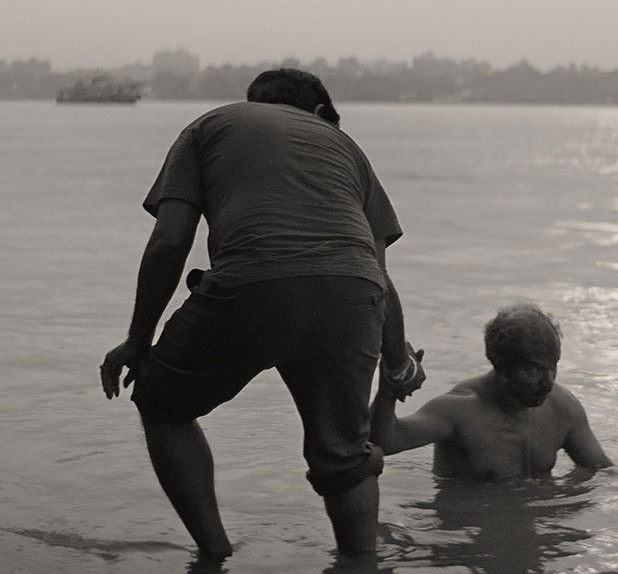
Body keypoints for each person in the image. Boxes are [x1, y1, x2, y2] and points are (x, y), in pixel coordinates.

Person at [99, 69, 425, 561]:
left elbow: (170, 242)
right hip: (351, 297)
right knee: (344, 454)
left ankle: (213, 555)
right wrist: (398, 364)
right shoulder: (348, 149)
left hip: (251, 285)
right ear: (319, 113)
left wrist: (137, 341)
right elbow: (377, 275)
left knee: (163, 404)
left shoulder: (209, 127)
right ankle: (361, 565)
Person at [371, 303, 613, 479]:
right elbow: (382, 442)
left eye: (553, 366)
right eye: (534, 370)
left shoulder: (562, 407)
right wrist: (388, 392)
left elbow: (600, 470)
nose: (548, 382)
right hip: (467, 537)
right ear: (501, 366)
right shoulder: (458, 411)